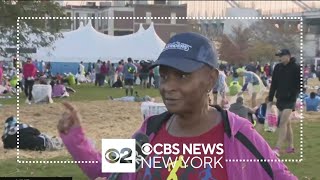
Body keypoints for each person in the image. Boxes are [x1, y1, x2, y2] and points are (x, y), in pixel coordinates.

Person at [57, 32, 297, 180]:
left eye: (182, 76)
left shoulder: (238, 134)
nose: (168, 86)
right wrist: (74, 137)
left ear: (211, 79)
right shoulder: (149, 131)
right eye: (165, 75)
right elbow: (105, 170)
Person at [269, 49, 300, 157]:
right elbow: (273, 84)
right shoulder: (278, 67)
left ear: (288, 56)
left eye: (282, 56)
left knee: (282, 122)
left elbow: (299, 85)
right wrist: (270, 99)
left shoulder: (296, 68)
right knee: (287, 123)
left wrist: (293, 97)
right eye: (279, 56)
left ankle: (277, 148)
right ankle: (291, 147)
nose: (280, 58)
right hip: (280, 99)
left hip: (290, 101)